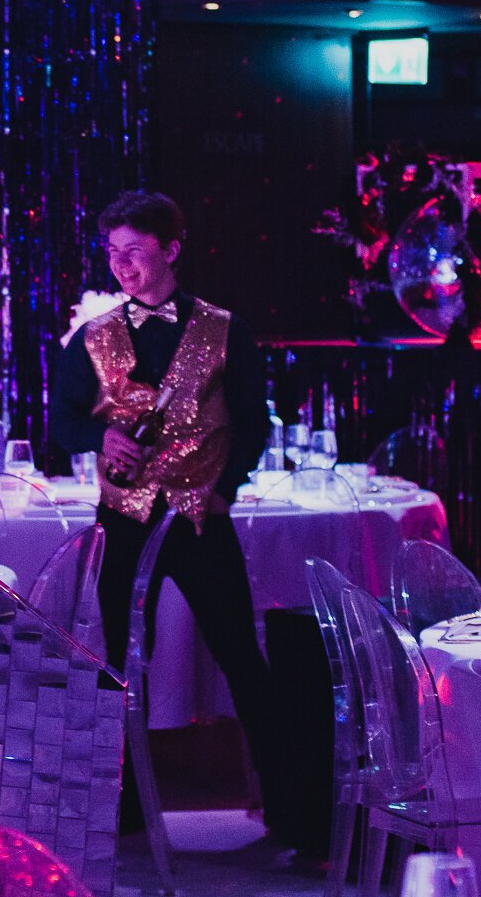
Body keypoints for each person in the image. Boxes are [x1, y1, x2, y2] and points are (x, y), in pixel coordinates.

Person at [50, 189, 316, 851]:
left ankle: (293, 816)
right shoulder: (94, 337)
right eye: (113, 253)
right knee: (115, 665)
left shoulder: (226, 331)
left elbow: (252, 424)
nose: (122, 266)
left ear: (170, 249)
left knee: (242, 659)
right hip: (124, 517)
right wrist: (100, 438)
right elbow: (62, 421)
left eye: (135, 252)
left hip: (199, 518)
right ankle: (122, 813)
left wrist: (223, 490)